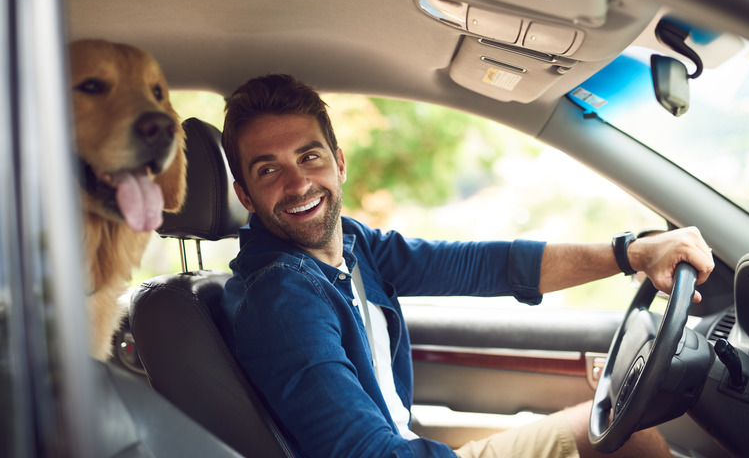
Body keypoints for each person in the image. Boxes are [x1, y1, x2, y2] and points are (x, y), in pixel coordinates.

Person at [219, 74, 715, 458]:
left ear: (339, 161)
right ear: (244, 194)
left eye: (309, 157)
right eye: (269, 170)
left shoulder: (351, 245)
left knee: (631, 436)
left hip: (405, 444)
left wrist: (631, 253)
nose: (299, 183)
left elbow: (484, 265)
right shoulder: (281, 298)